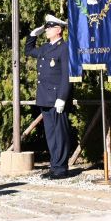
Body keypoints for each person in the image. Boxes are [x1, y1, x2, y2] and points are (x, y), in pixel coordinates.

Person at [25, 15, 73, 179]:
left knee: (60, 134)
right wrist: (33, 35)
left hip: (57, 99)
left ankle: (61, 168)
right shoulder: (45, 48)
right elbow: (29, 51)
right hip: (45, 97)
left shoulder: (64, 48)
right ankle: (54, 166)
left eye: (49, 27)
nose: (46, 30)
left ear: (58, 30)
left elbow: (67, 75)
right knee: (51, 134)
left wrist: (62, 97)